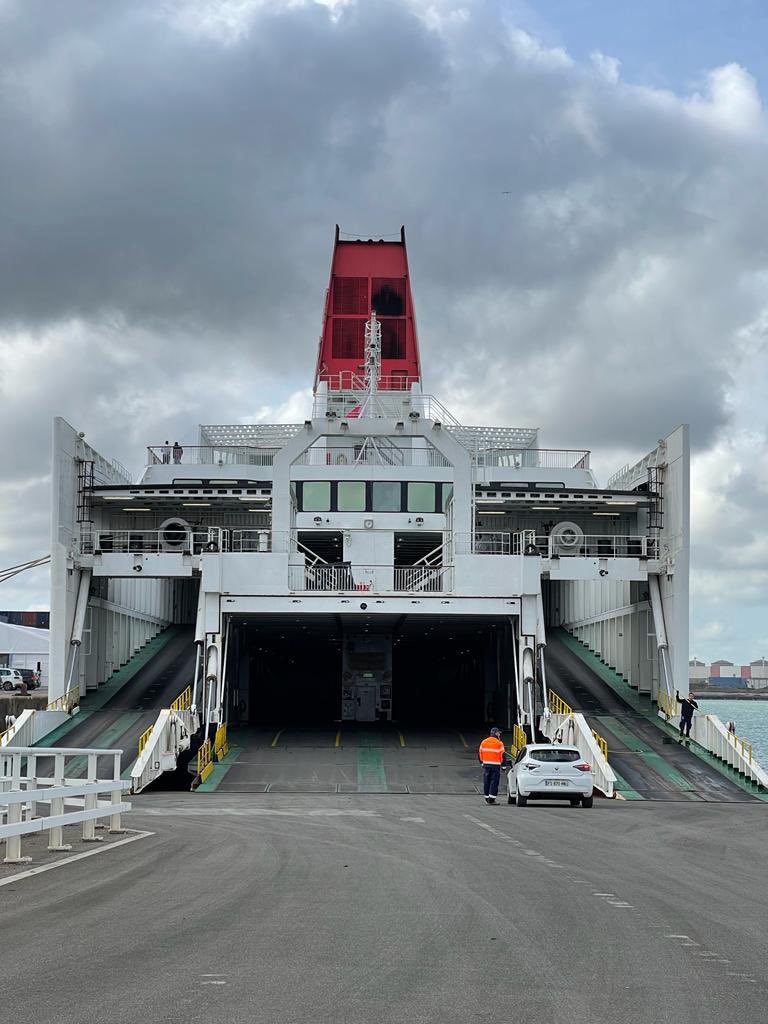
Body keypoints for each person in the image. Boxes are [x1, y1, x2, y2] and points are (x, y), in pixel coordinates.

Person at [478, 727, 506, 804]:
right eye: (499, 733)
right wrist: (504, 767)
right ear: (496, 733)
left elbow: (480, 753)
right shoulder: (499, 743)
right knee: (494, 782)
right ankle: (492, 799)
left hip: (486, 765)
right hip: (495, 766)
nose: (500, 734)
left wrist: (482, 763)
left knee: (487, 781)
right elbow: (503, 755)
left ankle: (487, 798)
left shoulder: (484, 742)